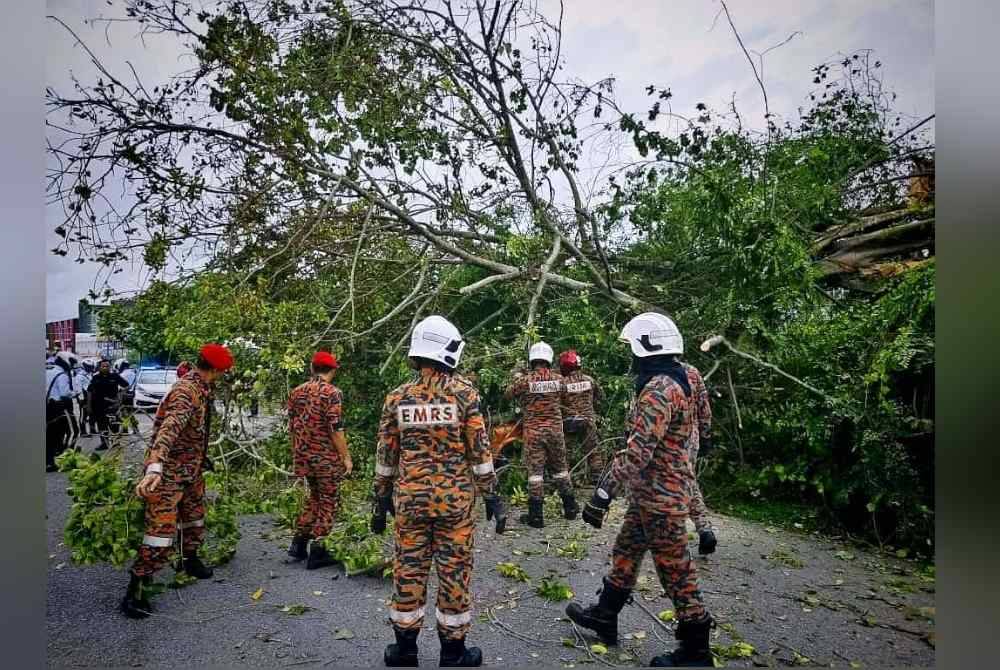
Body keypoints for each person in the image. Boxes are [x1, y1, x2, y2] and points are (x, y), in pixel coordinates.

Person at [566, 313, 714, 667]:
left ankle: (696, 649)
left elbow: (637, 453)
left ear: (645, 348)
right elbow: (703, 419)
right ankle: (605, 614)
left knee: (675, 569)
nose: (630, 357)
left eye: (632, 348)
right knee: (627, 550)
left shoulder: (658, 390)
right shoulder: (688, 375)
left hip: (661, 495)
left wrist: (603, 495)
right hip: (657, 490)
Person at [371, 315, 505, 667]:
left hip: (410, 504)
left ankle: (404, 650)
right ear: (449, 351)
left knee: (408, 573)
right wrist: (491, 494)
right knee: (454, 575)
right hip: (455, 507)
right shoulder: (465, 395)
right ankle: (454, 655)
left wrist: (380, 497)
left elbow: (386, 455)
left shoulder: (397, 398)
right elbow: (480, 452)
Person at [121, 343, 234, 619]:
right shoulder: (186, 392)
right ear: (217, 369)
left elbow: (194, 431)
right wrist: (155, 466)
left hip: (190, 470)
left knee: (194, 518)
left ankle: (189, 559)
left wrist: (200, 457)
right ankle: (136, 588)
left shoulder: (202, 387)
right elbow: (169, 430)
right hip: (169, 474)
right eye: (223, 371)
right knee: (159, 534)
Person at [286, 351, 352, 570]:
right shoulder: (332, 393)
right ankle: (318, 550)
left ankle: (298, 543)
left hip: (304, 455)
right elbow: (335, 428)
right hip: (325, 457)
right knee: (328, 501)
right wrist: (345, 457)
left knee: (314, 497)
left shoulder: (296, 392)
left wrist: (296, 452)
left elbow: (292, 427)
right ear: (332, 370)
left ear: (312, 369)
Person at [504, 341, 577, 528]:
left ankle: (536, 516)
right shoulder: (559, 380)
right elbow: (567, 398)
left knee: (535, 474)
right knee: (561, 469)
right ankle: (570, 508)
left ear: (532, 360)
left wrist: (517, 375)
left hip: (534, 432)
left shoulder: (525, 381)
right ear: (549, 359)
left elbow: (507, 395)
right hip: (555, 431)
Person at [683, 362, 717, 556]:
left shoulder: (653, 371)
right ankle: (703, 528)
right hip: (691, 437)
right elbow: (704, 409)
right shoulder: (693, 372)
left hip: (664, 438)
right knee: (688, 480)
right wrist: (706, 437)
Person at [558, 350, 606, 485]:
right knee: (593, 451)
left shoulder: (562, 383)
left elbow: (556, 403)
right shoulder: (590, 380)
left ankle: (567, 481)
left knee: (566, 452)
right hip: (588, 420)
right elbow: (601, 398)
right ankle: (597, 480)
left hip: (569, 422)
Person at [88, 359, 130, 450]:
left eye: (107, 366)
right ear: (99, 367)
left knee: (114, 424)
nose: (105, 368)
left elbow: (127, 385)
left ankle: (116, 443)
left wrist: (121, 394)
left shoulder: (114, 376)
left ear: (110, 367)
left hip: (112, 405)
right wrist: (89, 406)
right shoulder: (95, 378)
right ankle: (104, 443)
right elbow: (89, 392)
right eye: (103, 366)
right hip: (98, 406)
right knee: (102, 425)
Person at [45, 351, 77, 471]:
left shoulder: (46, 370)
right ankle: (60, 458)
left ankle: (48, 461)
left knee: (47, 435)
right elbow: (64, 393)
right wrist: (74, 393)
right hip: (57, 407)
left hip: (46, 406)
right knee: (64, 433)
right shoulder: (61, 374)